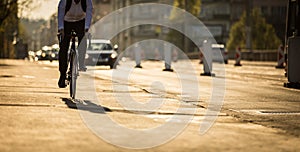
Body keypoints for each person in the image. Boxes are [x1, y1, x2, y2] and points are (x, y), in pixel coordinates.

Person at [57, 0, 93, 88]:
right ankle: (62, 74)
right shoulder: (65, 1)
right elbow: (60, 13)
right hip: (67, 22)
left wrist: (86, 28)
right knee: (63, 48)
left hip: (80, 21)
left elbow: (89, 12)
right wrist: (61, 28)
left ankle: (81, 63)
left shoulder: (87, 1)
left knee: (83, 40)